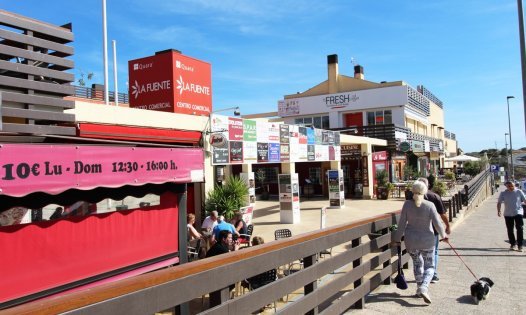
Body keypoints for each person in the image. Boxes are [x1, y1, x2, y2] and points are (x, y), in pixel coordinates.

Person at [394, 180, 448, 304]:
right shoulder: (430, 205)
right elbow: (437, 223)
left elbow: (401, 224)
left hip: (411, 241)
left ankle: (419, 289)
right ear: (425, 191)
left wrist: (397, 239)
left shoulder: (407, 204)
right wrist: (443, 235)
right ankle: (424, 287)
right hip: (427, 240)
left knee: (417, 264)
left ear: (413, 191)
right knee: (430, 266)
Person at [416, 177, 450, 283]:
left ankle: (421, 275)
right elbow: (442, 214)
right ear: (428, 185)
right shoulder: (434, 196)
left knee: (419, 253)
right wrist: (447, 226)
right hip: (432, 230)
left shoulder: (411, 198)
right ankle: (433, 275)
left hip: (417, 230)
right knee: (433, 252)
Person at [206, 230, 239, 307]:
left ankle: (225, 299)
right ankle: (224, 301)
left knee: (233, 277)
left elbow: (229, 256)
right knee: (233, 279)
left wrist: (233, 249)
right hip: (211, 277)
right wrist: (236, 249)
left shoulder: (219, 246)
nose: (232, 239)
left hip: (213, 273)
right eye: (230, 238)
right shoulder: (221, 249)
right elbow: (233, 258)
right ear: (224, 239)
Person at [497, 181, 526, 252]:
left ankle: (520, 245)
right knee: (510, 229)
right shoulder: (503, 193)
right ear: (506, 186)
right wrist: (499, 211)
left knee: (519, 228)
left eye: (512, 186)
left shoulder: (519, 191)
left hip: (518, 212)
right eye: (509, 186)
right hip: (508, 214)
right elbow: (499, 202)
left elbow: (525, 200)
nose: (511, 187)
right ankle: (512, 244)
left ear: (514, 185)